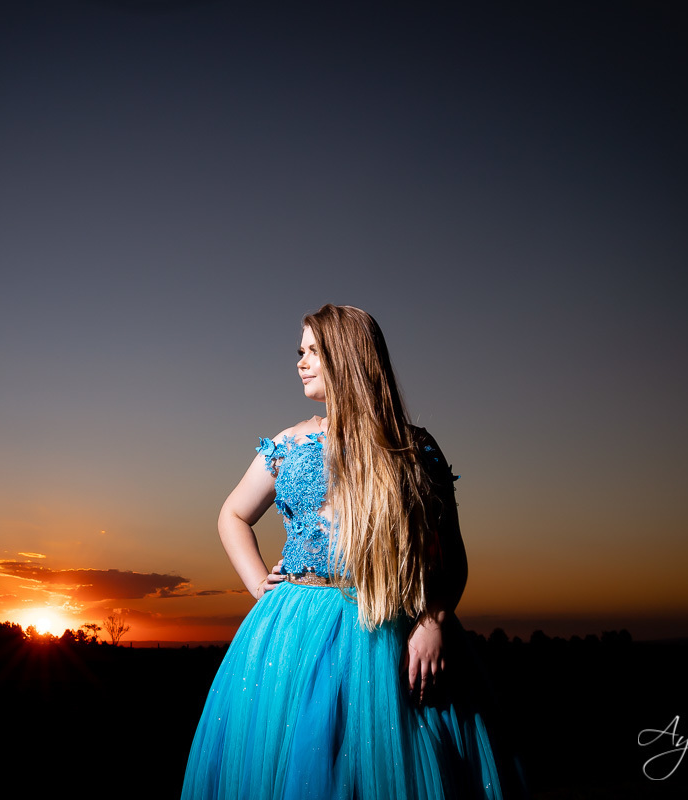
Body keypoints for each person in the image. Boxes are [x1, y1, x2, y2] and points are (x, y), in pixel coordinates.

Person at [181, 304, 522, 799]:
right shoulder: (289, 442)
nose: (300, 362)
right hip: (291, 631)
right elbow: (232, 515)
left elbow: (451, 556)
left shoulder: (412, 448)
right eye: (299, 351)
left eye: (314, 351)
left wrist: (434, 620)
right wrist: (258, 584)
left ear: (348, 356)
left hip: (387, 631)